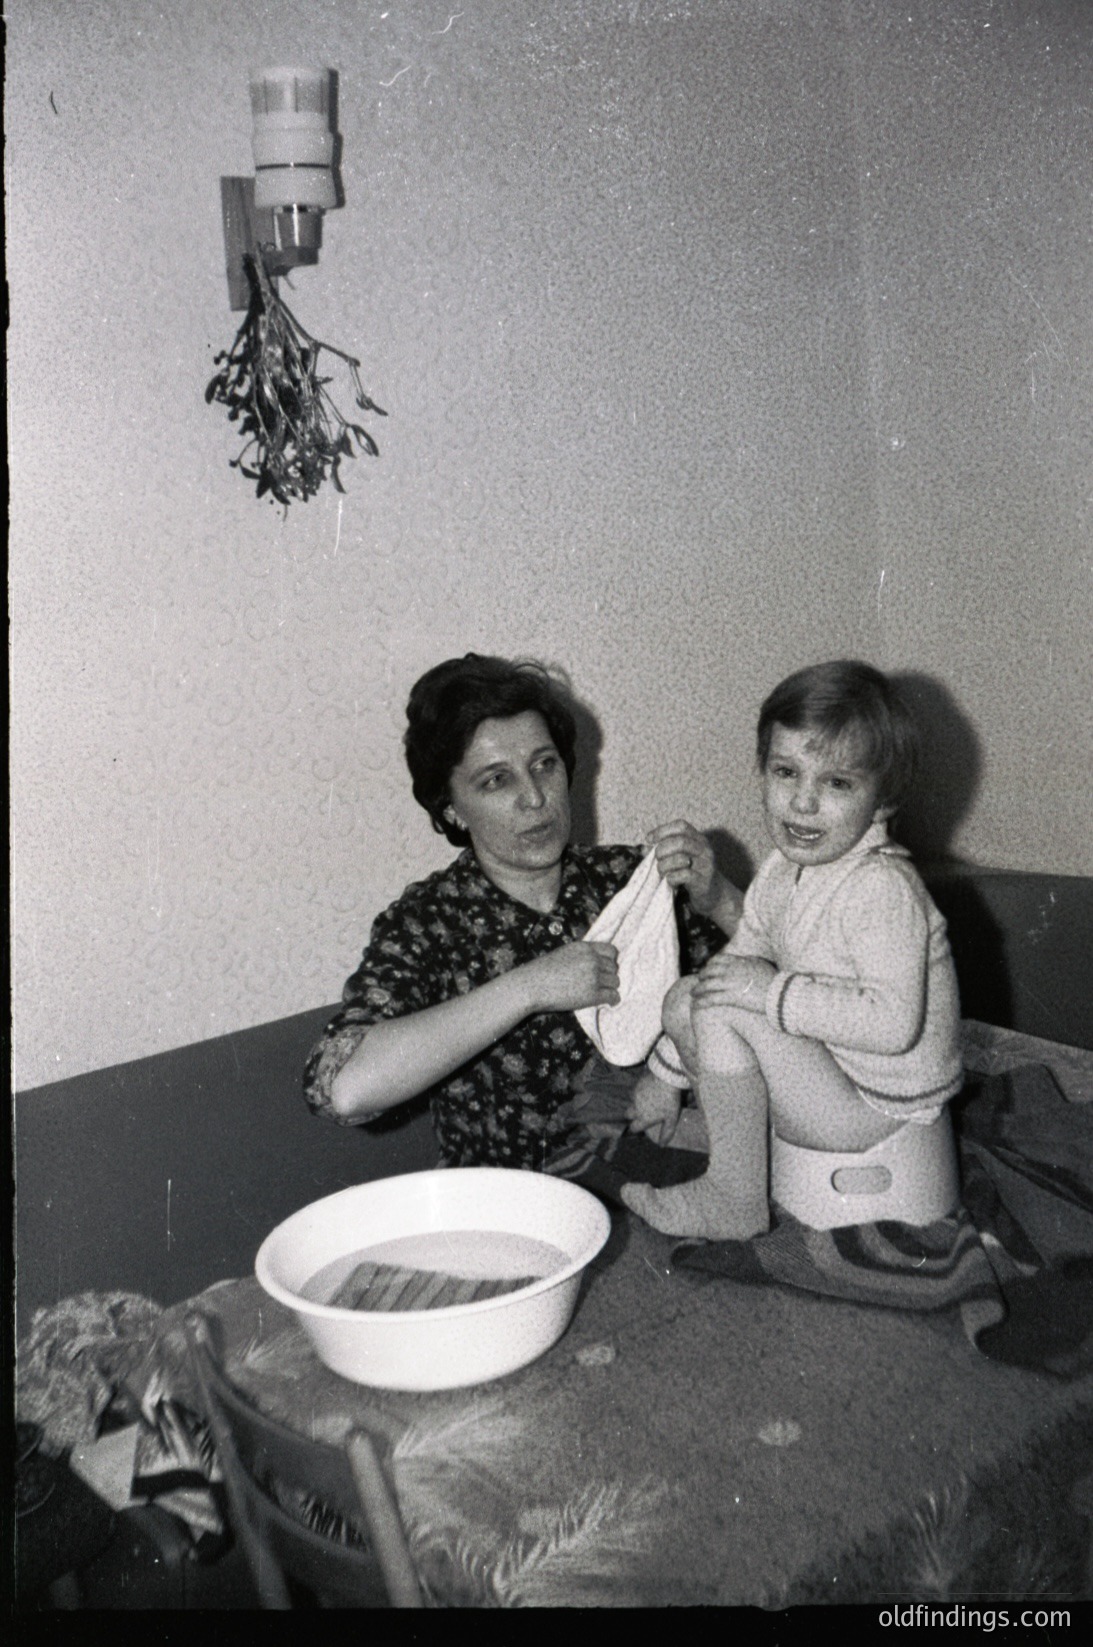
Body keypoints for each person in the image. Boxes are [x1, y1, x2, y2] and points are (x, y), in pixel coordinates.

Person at [303, 653, 743, 1175]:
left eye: (544, 765)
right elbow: (346, 1088)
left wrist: (720, 899)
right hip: (512, 1212)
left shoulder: (630, 882)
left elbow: (793, 996)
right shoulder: (428, 922)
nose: (535, 798)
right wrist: (528, 988)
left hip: (668, 1181)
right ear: (450, 807)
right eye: (496, 781)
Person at [621, 660, 963, 1239]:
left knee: (732, 1003)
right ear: (762, 772)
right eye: (786, 772)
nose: (803, 803)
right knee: (694, 993)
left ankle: (734, 1197)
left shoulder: (881, 889)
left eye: (837, 783)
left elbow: (893, 1024)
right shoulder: (784, 871)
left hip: (878, 1111)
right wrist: (665, 1075)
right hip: (828, 1073)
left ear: (882, 802)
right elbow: (734, 968)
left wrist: (770, 992)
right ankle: (737, 1147)